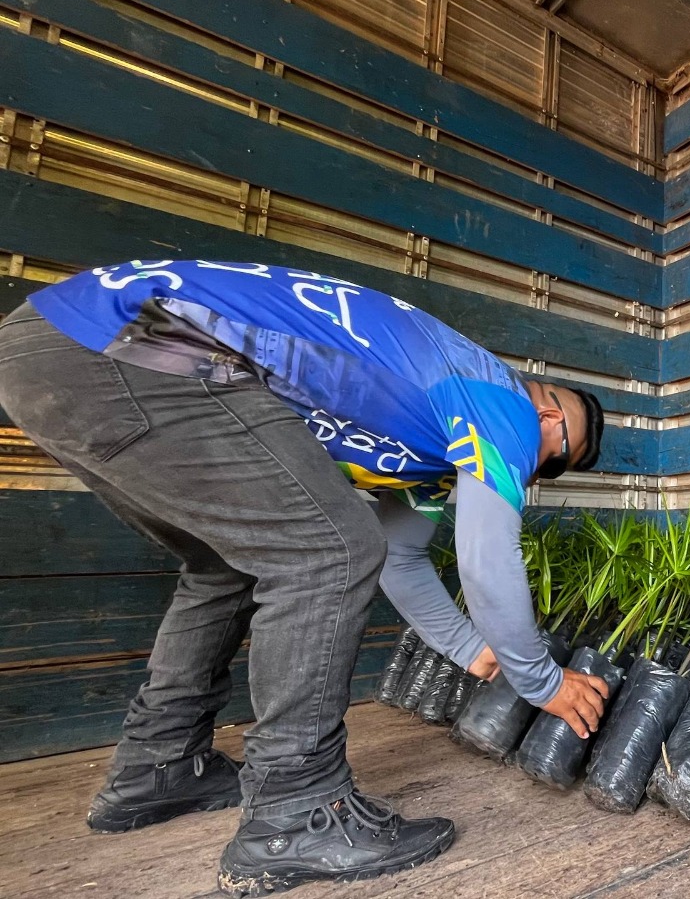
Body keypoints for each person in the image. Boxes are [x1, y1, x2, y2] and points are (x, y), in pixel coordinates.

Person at [0, 260, 613, 896]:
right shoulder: (502, 400)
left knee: (225, 564)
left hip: (53, 352)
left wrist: (467, 649)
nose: (531, 473)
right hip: (137, 342)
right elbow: (483, 559)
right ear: (547, 415)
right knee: (331, 550)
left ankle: (159, 767)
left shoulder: (427, 445)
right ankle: (296, 809)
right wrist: (538, 678)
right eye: (551, 460)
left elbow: (401, 556)